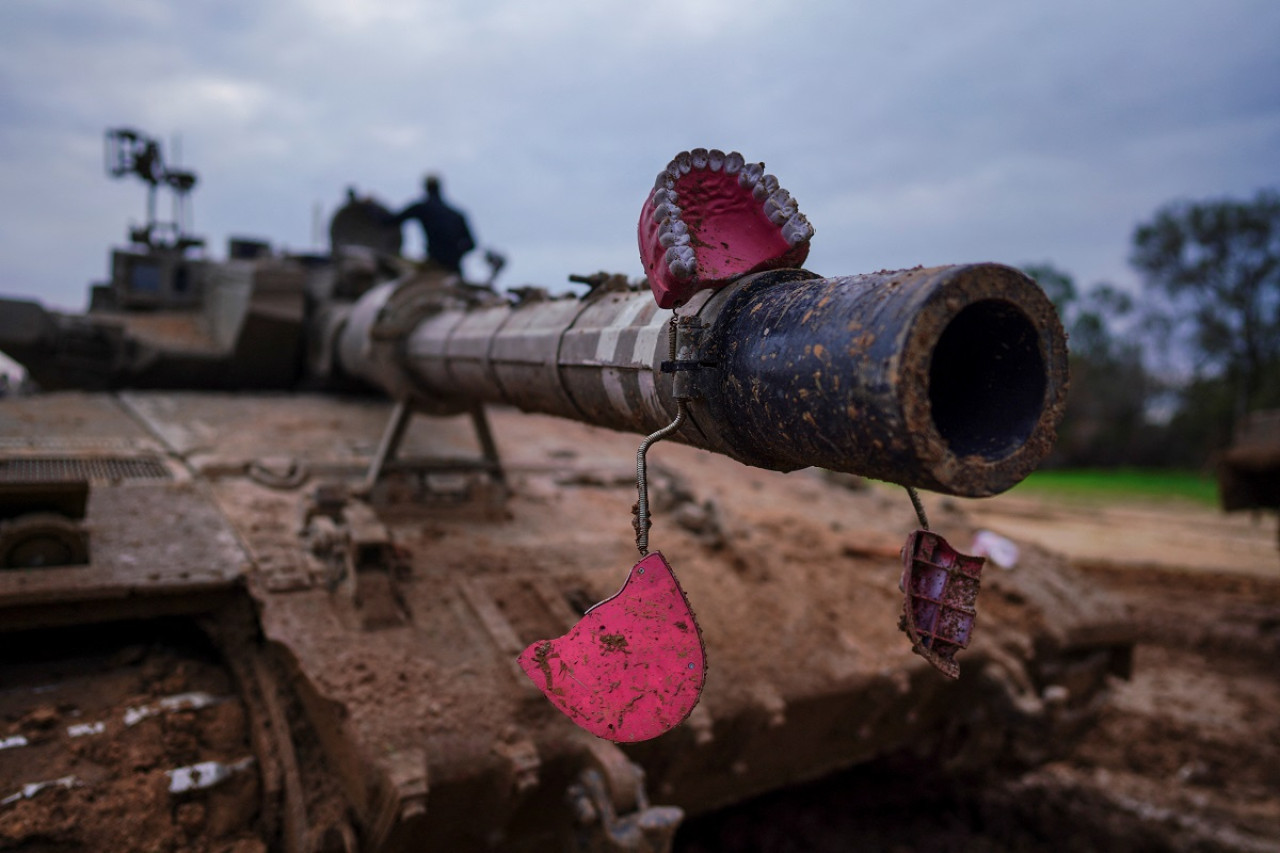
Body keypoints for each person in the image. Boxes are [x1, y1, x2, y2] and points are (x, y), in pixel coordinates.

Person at [393, 174, 476, 273]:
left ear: (426, 188)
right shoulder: (457, 214)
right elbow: (471, 244)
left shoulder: (422, 208)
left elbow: (392, 220)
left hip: (433, 263)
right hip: (454, 267)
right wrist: (455, 253)